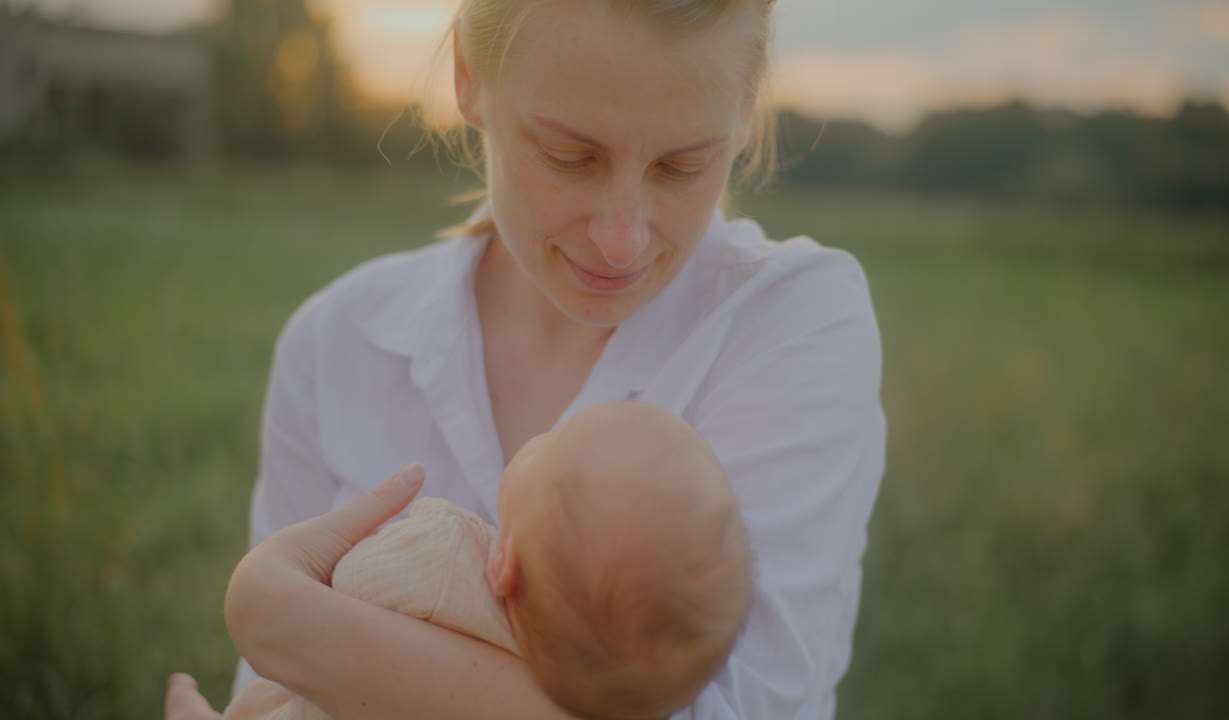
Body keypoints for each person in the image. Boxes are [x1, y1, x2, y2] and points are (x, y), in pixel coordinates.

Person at [166, 0, 886, 717]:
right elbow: (271, 695)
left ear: (745, 117)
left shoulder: (793, 318)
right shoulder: (338, 341)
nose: (623, 239)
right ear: (468, 78)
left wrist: (289, 620)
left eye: (681, 166)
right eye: (570, 157)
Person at [222, 402, 752, 720]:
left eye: (555, 444)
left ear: (503, 566)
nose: (548, 433)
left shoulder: (444, 555)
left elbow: (352, 580)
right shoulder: (595, 681)